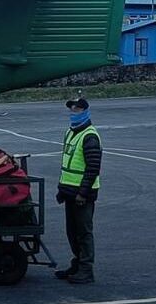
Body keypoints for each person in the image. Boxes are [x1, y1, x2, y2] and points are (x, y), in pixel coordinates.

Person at [55, 98, 101, 284]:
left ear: (86, 112)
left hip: (82, 195)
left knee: (83, 232)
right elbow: (68, 163)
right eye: (72, 109)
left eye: (77, 109)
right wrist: (62, 189)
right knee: (72, 232)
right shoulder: (71, 132)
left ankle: (86, 270)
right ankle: (78, 264)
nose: (73, 112)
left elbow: (93, 168)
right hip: (70, 192)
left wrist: (83, 193)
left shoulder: (90, 136)